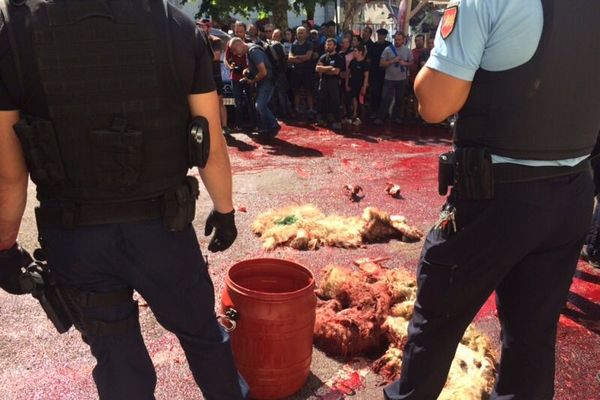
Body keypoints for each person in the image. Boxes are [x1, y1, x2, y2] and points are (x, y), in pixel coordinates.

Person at [0, 0, 250, 399]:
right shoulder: (177, 25)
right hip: (162, 230)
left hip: (76, 238)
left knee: (119, 365)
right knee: (204, 337)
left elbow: (10, 174)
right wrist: (224, 210)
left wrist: (6, 248)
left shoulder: (14, 32)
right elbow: (210, 142)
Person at [384, 1, 600, 399]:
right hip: (572, 192)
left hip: (497, 197)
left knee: (436, 320)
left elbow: (434, 105)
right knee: (532, 338)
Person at [230, 38, 280, 137]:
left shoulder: (253, 51)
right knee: (261, 105)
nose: (234, 53)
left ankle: (273, 125)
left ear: (239, 44)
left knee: (260, 105)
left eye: (234, 50)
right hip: (264, 81)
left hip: (267, 81)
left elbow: (263, 72)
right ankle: (267, 129)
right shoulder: (250, 51)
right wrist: (247, 70)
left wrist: (252, 81)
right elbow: (258, 67)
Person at [197, 18, 230, 135]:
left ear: (209, 27)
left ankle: (225, 127)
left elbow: (215, 57)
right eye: (198, 26)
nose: (199, 28)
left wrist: (198, 58)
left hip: (214, 76)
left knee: (219, 101)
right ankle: (210, 127)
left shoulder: (216, 40)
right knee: (203, 103)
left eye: (202, 26)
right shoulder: (196, 40)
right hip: (201, 75)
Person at [374, 31, 413, 125]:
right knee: (385, 98)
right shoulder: (387, 49)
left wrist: (405, 64)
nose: (397, 41)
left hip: (402, 79)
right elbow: (381, 63)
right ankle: (381, 117)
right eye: (395, 39)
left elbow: (412, 63)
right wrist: (392, 61)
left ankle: (397, 117)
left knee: (399, 99)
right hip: (389, 78)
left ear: (403, 40)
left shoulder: (407, 51)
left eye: (399, 40)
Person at [225, 21, 255, 131]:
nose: (238, 34)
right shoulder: (230, 42)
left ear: (245, 31)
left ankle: (255, 124)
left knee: (251, 101)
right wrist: (231, 66)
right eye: (236, 31)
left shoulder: (250, 42)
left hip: (249, 76)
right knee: (237, 102)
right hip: (235, 77)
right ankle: (239, 125)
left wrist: (248, 70)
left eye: (241, 31)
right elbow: (226, 59)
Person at [315, 38, 345, 131]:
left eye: (330, 44)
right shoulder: (323, 57)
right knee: (322, 100)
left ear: (335, 46)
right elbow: (317, 68)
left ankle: (337, 121)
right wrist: (329, 67)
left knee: (335, 102)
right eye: (326, 44)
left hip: (334, 82)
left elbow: (336, 72)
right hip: (323, 81)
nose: (328, 46)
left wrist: (324, 70)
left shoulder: (339, 58)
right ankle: (322, 119)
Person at [288, 26, 315, 117]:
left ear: (306, 34)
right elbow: (289, 58)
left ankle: (310, 109)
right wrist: (301, 58)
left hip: (307, 71)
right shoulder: (293, 44)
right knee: (296, 91)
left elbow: (308, 57)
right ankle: (297, 109)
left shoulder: (309, 44)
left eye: (302, 32)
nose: (300, 34)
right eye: (299, 32)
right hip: (296, 71)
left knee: (309, 91)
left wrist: (296, 58)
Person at [367, 28, 391, 118]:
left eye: (382, 35)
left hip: (387, 73)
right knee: (375, 93)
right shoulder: (373, 46)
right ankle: (374, 111)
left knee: (385, 94)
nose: (380, 36)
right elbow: (369, 60)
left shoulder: (389, 46)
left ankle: (384, 112)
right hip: (375, 73)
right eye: (379, 35)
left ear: (385, 36)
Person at [346, 44, 369, 125]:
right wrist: (346, 84)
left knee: (360, 102)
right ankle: (352, 115)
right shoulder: (352, 61)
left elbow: (366, 76)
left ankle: (360, 118)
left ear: (360, 52)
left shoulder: (365, 63)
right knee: (351, 99)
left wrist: (364, 87)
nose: (354, 53)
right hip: (352, 84)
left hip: (360, 85)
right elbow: (348, 73)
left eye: (355, 51)